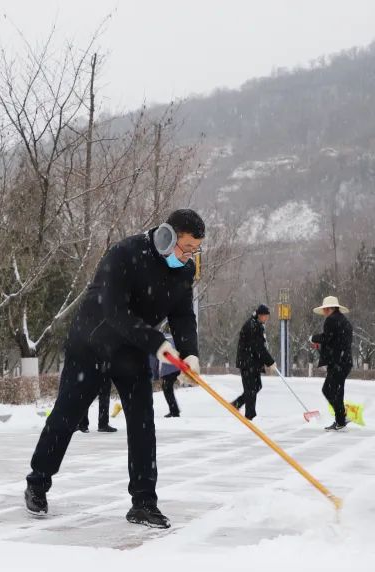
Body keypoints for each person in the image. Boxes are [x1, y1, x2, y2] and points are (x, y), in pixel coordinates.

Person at [24, 209, 204, 529]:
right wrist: (156, 343)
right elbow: (114, 311)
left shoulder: (183, 272)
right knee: (66, 416)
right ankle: (38, 482)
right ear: (167, 236)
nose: (189, 256)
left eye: (195, 250)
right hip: (91, 343)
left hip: (132, 352)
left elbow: (182, 315)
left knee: (142, 423)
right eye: (186, 248)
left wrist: (189, 353)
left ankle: (144, 502)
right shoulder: (124, 254)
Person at [310, 296, 353, 431]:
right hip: (344, 361)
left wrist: (313, 338)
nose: (324, 312)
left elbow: (326, 338)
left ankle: (341, 419)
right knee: (336, 391)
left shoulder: (331, 320)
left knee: (329, 390)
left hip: (337, 362)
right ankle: (341, 419)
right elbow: (336, 341)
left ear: (329, 309)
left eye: (324, 310)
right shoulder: (345, 321)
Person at [232, 304, 276, 420]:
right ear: (260, 315)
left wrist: (267, 361)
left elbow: (259, 347)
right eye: (265, 316)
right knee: (251, 388)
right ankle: (249, 415)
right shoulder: (253, 326)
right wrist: (270, 362)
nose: (266, 318)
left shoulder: (256, 324)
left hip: (252, 362)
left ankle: (238, 405)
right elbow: (258, 347)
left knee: (256, 386)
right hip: (247, 362)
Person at [151, 332, 183, 418]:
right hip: (179, 365)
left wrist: (155, 375)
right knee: (167, 387)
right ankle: (174, 410)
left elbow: (154, 360)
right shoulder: (172, 337)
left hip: (169, 368)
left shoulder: (156, 340)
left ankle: (174, 411)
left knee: (167, 388)